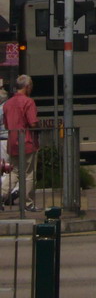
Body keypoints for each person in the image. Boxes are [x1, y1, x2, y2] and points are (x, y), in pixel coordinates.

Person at [3, 74, 40, 210]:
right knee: (28, 173)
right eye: (30, 87)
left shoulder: (7, 104)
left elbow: (7, 125)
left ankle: (2, 195)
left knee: (13, 171)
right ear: (27, 86)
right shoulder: (28, 102)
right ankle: (27, 203)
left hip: (12, 142)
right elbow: (33, 123)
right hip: (27, 141)